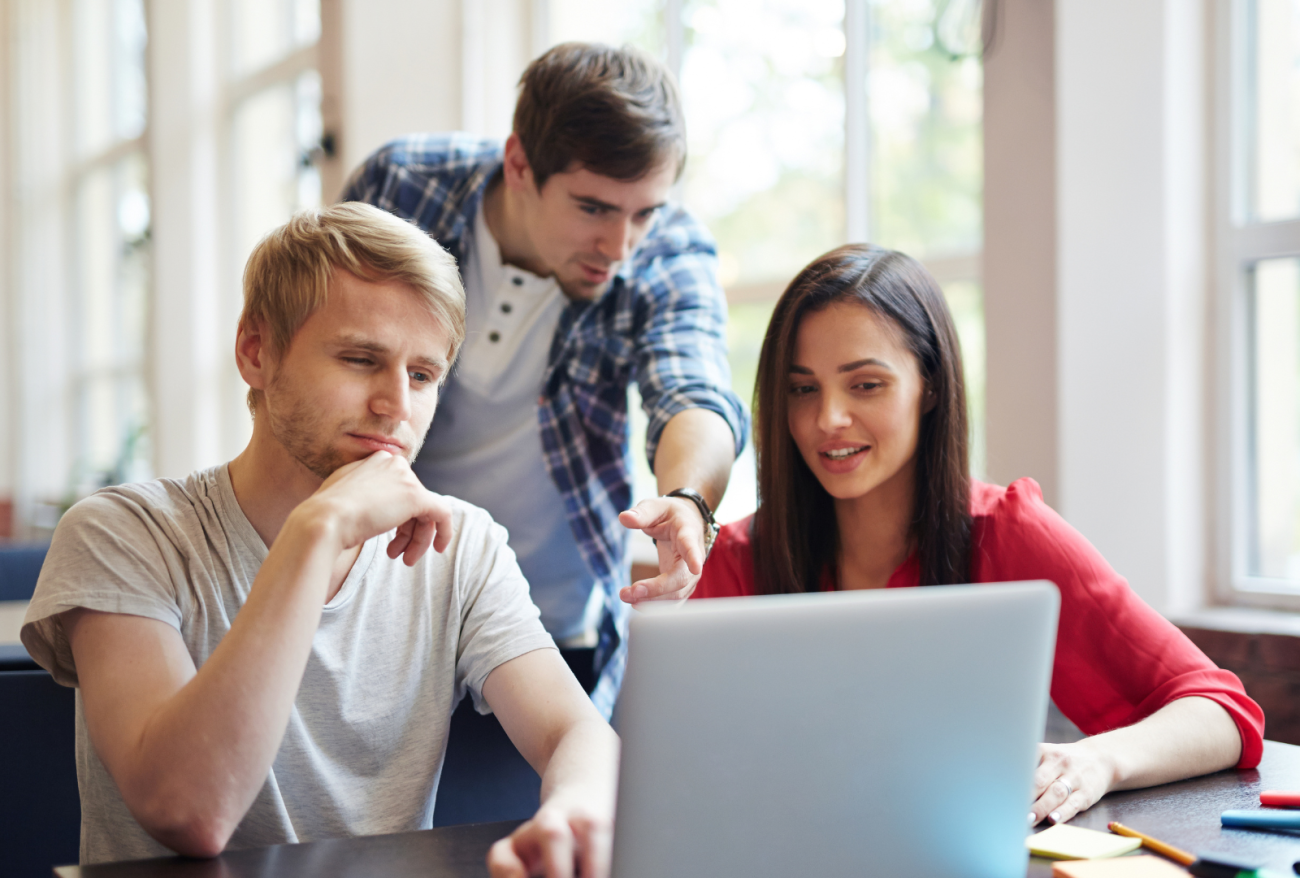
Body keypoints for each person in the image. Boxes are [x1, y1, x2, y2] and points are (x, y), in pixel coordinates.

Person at [21, 203, 618, 876]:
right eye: (362, 359)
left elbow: (576, 732)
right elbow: (189, 811)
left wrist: (575, 806)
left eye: (423, 375)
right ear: (256, 352)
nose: (397, 404)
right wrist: (317, 529)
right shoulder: (124, 533)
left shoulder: (464, 544)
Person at [689, 243, 1266, 826]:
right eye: (803, 389)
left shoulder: (1008, 534)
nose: (827, 419)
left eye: (865, 385)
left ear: (930, 386)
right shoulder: (736, 562)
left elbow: (1224, 713)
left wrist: (1097, 761)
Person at [342, 42, 747, 715]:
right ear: (520, 164)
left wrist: (688, 499)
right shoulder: (402, 188)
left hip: (544, 633)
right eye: (592, 208)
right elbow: (315, 362)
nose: (619, 248)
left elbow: (694, 388)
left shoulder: (667, 249)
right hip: (374, 613)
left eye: (642, 212)